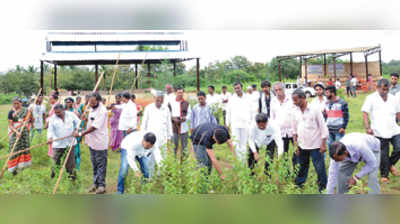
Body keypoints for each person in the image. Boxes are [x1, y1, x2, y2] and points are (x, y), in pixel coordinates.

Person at [362, 78, 400, 184]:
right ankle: (384, 175)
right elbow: (365, 112)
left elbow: (398, 112)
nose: (385, 92)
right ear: (377, 87)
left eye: (387, 89)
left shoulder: (393, 98)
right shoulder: (371, 98)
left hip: (394, 128)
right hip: (379, 130)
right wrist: (367, 127)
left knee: (399, 148)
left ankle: (390, 165)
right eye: (383, 89)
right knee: (384, 153)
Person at [292, 88, 329, 192]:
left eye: (295, 100)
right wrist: (295, 145)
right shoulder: (295, 112)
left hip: (316, 145)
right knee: (302, 167)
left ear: (303, 98)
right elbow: (294, 130)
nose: (294, 103)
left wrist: (323, 144)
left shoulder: (315, 110)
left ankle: (323, 187)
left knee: (319, 168)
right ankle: (299, 185)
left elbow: (323, 127)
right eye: (293, 100)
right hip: (302, 145)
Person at [74, 92, 109, 194]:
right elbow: (90, 121)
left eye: (93, 102)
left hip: (100, 142)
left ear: (98, 100)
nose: (91, 104)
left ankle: (101, 185)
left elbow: (94, 127)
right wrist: (84, 117)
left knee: (101, 164)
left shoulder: (102, 111)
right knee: (94, 164)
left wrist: (81, 133)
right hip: (92, 141)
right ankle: (95, 183)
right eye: (90, 102)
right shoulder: (92, 108)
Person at [141, 91, 173, 174]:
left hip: (163, 138)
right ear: (154, 98)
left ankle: (160, 175)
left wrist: (169, 137)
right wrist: (142, 136)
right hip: (150, 139)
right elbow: (144, 123)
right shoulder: (148, 108)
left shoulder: (166, 109)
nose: (158, 100)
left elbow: (169, 123)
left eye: (160, 99)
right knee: (150, 158)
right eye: (157, 99)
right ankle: (150, 176)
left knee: (162, 158)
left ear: (163, 100)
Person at [47, 104, 80, 180]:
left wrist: (76, 130)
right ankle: (54, 178)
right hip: (58, 144)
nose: (57, 114)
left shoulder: (71, 115)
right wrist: (50, 138)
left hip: (70, 143)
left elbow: (78, 122)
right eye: (56, 113)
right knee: (55, 162)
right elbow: (50, 130)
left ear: (63, 110)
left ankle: (72, 179)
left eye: (59, 112)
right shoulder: (52, 118)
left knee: (70, 163)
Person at [270, 82, 297, 159]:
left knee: (297, 152)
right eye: (276, 90)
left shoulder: (291, 100)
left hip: (293, 131)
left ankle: (297, 169)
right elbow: (272, 117)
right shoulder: (273, 102)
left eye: (280, 89)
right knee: (283, 154)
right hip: (280, 132)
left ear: (284, 89)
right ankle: (286, 170)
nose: (278, 92)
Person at [226, 82, 252, 161]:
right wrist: (227, 123)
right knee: (236, 143)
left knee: (243, 143)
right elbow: (228, 111)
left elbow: (252, 111)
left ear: (242, 88)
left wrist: (251, 122)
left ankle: (243, 161)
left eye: (238, 88)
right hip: (235, 124)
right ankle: (238, 161)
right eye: (235, 88)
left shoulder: (247, 98)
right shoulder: (231, 99)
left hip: (245, 124)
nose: (237, 90)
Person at [7, 97, 32, 175]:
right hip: (14, 132)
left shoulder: (26, 111)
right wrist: (16, 132)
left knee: (24, 147)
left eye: (17, 103)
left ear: (21, 103)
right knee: (14, 149)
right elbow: (10, 125)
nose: (16, 105)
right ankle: (13, 168)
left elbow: (30, 120)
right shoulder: (11, 112)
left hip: (24, 132)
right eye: (14, 103)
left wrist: (30, 115)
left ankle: (23, 165)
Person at [169, 86, 191, 158]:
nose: (180, 94)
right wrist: (173, 118)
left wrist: (185, 118)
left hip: (184, 128)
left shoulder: (186, 103)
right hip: (174, 128)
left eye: (181, 92)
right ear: (176, 93)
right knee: (174, 146)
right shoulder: (171, 103)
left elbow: (190, 114)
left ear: (183, 93)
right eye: (178, 92)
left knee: (184, 146)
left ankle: (183, 163)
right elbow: (167, 114)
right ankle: (174, 161)